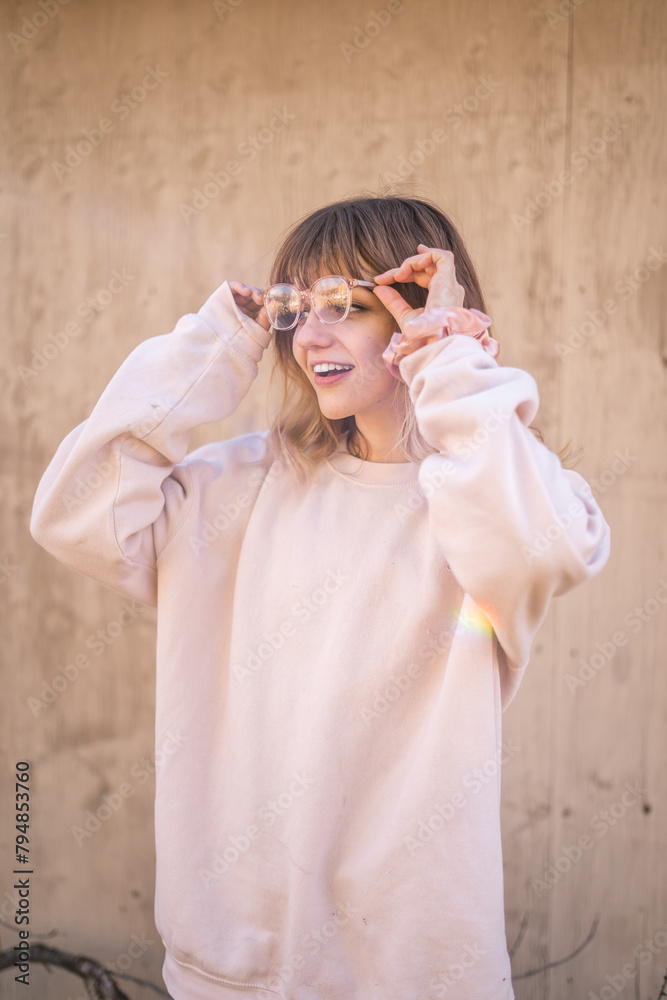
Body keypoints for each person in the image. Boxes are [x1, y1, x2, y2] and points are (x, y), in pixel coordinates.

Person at [29, 194, 611, 1000]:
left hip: (410, 974)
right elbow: (76, 515)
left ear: (414, 315)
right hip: (229, 970)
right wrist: (216, 343)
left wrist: (443, 353)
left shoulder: (486, 495)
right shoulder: (239, 485)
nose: (308, 338)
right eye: (294, 311)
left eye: (345, 306)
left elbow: (541, 545)